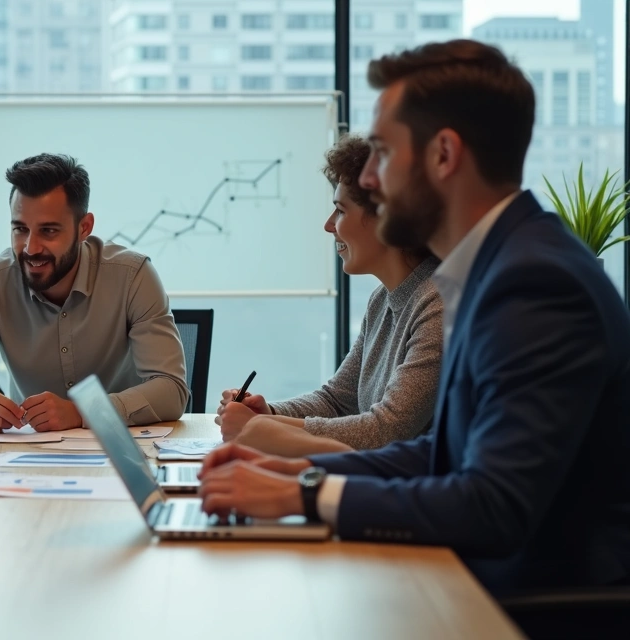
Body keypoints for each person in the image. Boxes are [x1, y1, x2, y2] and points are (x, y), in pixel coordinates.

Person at [198, 39, 630, 594]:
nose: (371, 179)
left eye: (382, 151)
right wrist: (307, 473)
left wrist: (305, 493)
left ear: (443, 155)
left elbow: (492, 504)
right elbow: (444, 452)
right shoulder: (498, 265)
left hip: (532, 602)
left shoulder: (535, 284)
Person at [0, 153, 188, 432]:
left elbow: (171, 390)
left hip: (122, 452)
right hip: (28, 458)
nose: (31, 248)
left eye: (48, 231)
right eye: (20, 229)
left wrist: (83, 412)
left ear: (84, 227)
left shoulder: (133, 276)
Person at [215, 135, 443, 458]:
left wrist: (262, 429)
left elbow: (387, 430)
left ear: (385, 220)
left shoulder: (437, 304)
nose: (328, 225)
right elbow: (337, 400)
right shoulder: (383, 300)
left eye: (339, 211)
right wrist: (267, 413)